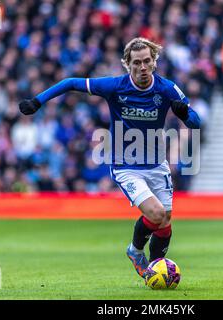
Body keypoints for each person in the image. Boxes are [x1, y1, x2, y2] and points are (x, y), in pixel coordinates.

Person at [19, 37, 201, 279]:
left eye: (147, 61)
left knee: (165, 223)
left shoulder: (167, 88)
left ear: (154, 62)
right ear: (127, 64)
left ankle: (156, 272)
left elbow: (196, 123)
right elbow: (72, 82)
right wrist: (37, 101)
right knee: (155, 214)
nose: (143, 67)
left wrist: (186, 115)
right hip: (126, 165)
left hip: (157, 164)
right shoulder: (115, 86)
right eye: (137, 62)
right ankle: (136, 252)